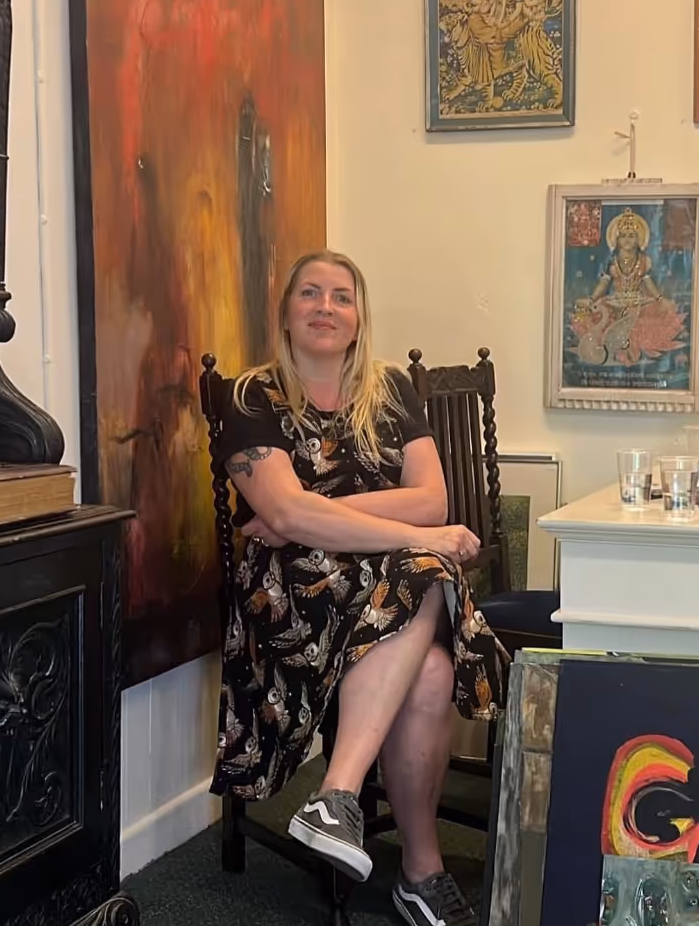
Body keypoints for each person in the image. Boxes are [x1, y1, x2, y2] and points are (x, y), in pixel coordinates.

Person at [210, 249, 509, 926]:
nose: (325, 306)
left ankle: (349, 808)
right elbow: (307, 520)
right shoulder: (251, 395)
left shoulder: (392, 389)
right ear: (286, 312)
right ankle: (406, 858)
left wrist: (307, 514)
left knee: (432, 672)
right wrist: (398, 530)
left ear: (359, 315)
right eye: (309, 293)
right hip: (289, 594)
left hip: (381, 582)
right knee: (429, 570)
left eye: (341, 296)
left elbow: (431, 500)